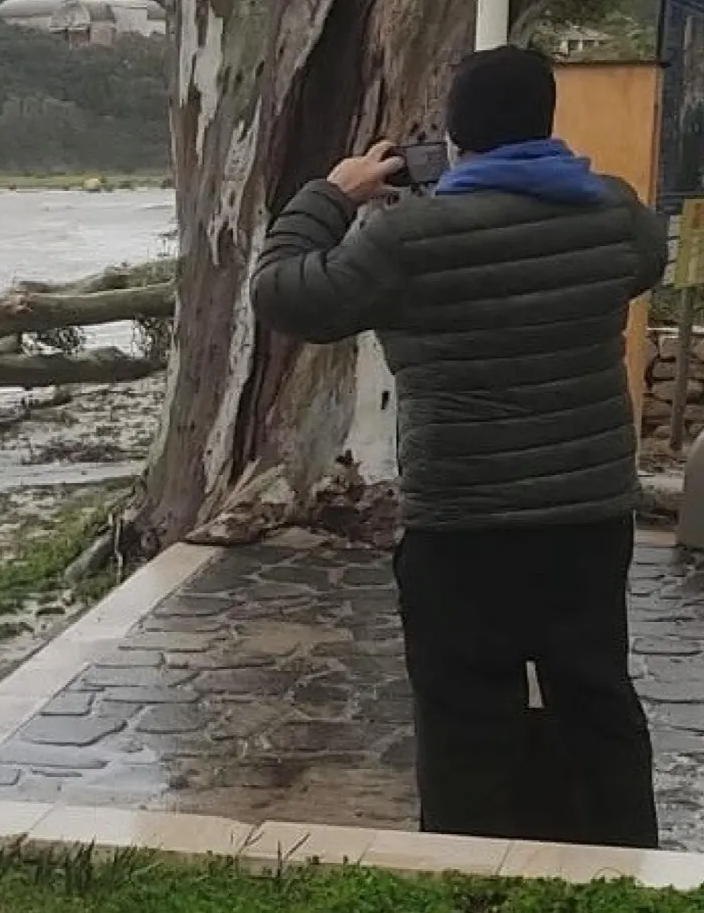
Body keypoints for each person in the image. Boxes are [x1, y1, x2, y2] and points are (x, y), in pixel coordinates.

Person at [251, 45, 668, 848]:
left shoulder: (405, 242)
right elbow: (641, 257)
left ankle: (465, 874)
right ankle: (625, 870)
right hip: (586, 520)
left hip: (462, 528)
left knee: (464, 721)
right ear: (545, 121)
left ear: (451, 133)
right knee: (595, 701)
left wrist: (332, 195)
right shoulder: (615, 217)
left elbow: (283, 293)